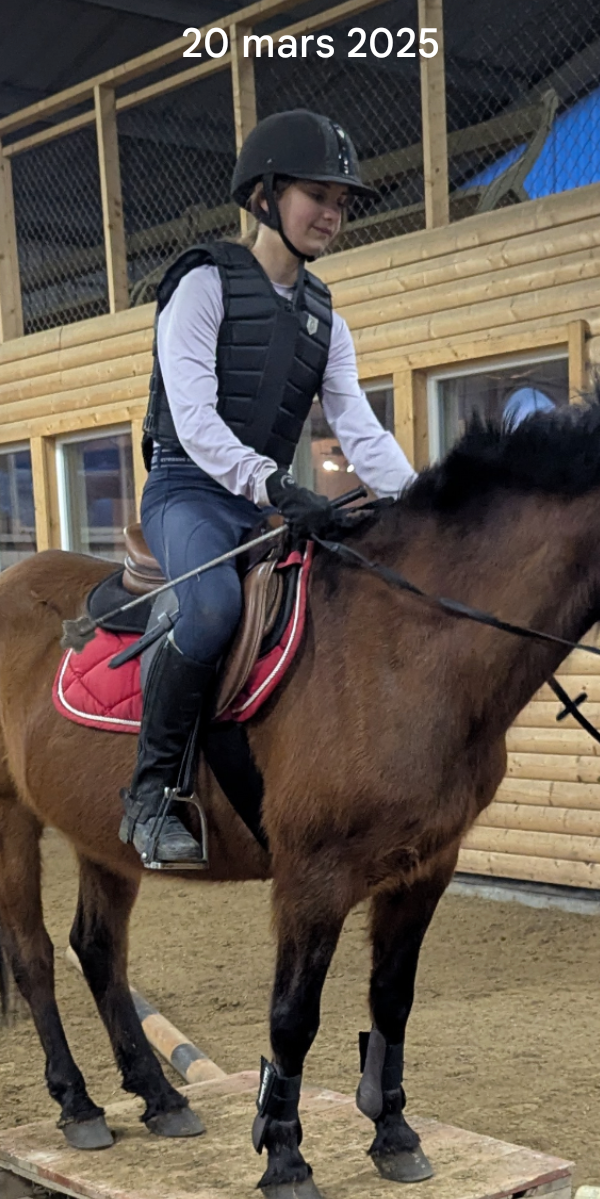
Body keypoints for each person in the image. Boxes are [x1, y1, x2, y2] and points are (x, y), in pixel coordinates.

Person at [119, 108, 415, 867]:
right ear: (264, 195)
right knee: (212, 608)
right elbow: (192, 419)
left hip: (264, 502)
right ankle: (151, 795)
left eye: (342, 202)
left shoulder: (327, 321)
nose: (332, 214)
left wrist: (423, 501)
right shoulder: (202, 285)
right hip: (189, 490)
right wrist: (274, 484)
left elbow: (360, 429)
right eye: (318, 195)